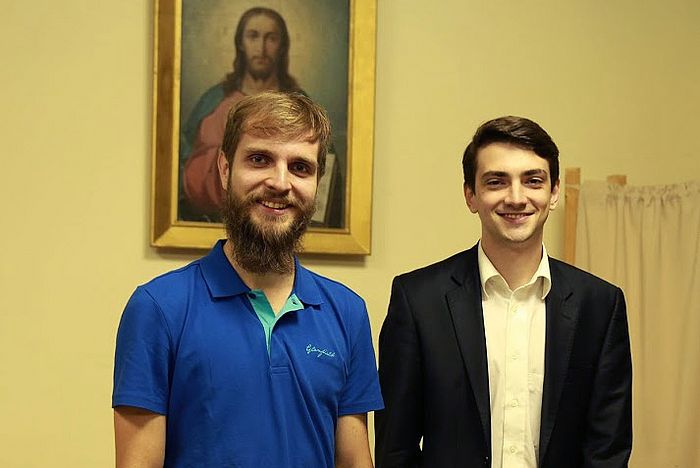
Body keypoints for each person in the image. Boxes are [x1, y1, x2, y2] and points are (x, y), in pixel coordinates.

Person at [113, 92, 383, 467]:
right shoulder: (158, 309)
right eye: (259, 159)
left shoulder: (348, 313)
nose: (280, 182)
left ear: (317, 183)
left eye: (300, 167)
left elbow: (354, 461)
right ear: (225, 169)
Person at [375, 116, 632, 467]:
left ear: (554, 192)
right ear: (471, 195)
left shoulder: (600, 306)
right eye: (496, 181)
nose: (516, 197)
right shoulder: (418, 301)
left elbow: (608, 451)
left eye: (533, 181)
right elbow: (395, 448)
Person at [180, 7, 302, 219]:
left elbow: (324, 165)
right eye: (253, 36)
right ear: (241, 43)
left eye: (271, 38)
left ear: (282, 46)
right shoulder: (214, 100)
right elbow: (182, 157)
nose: (261, 48)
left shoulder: (300, 105)